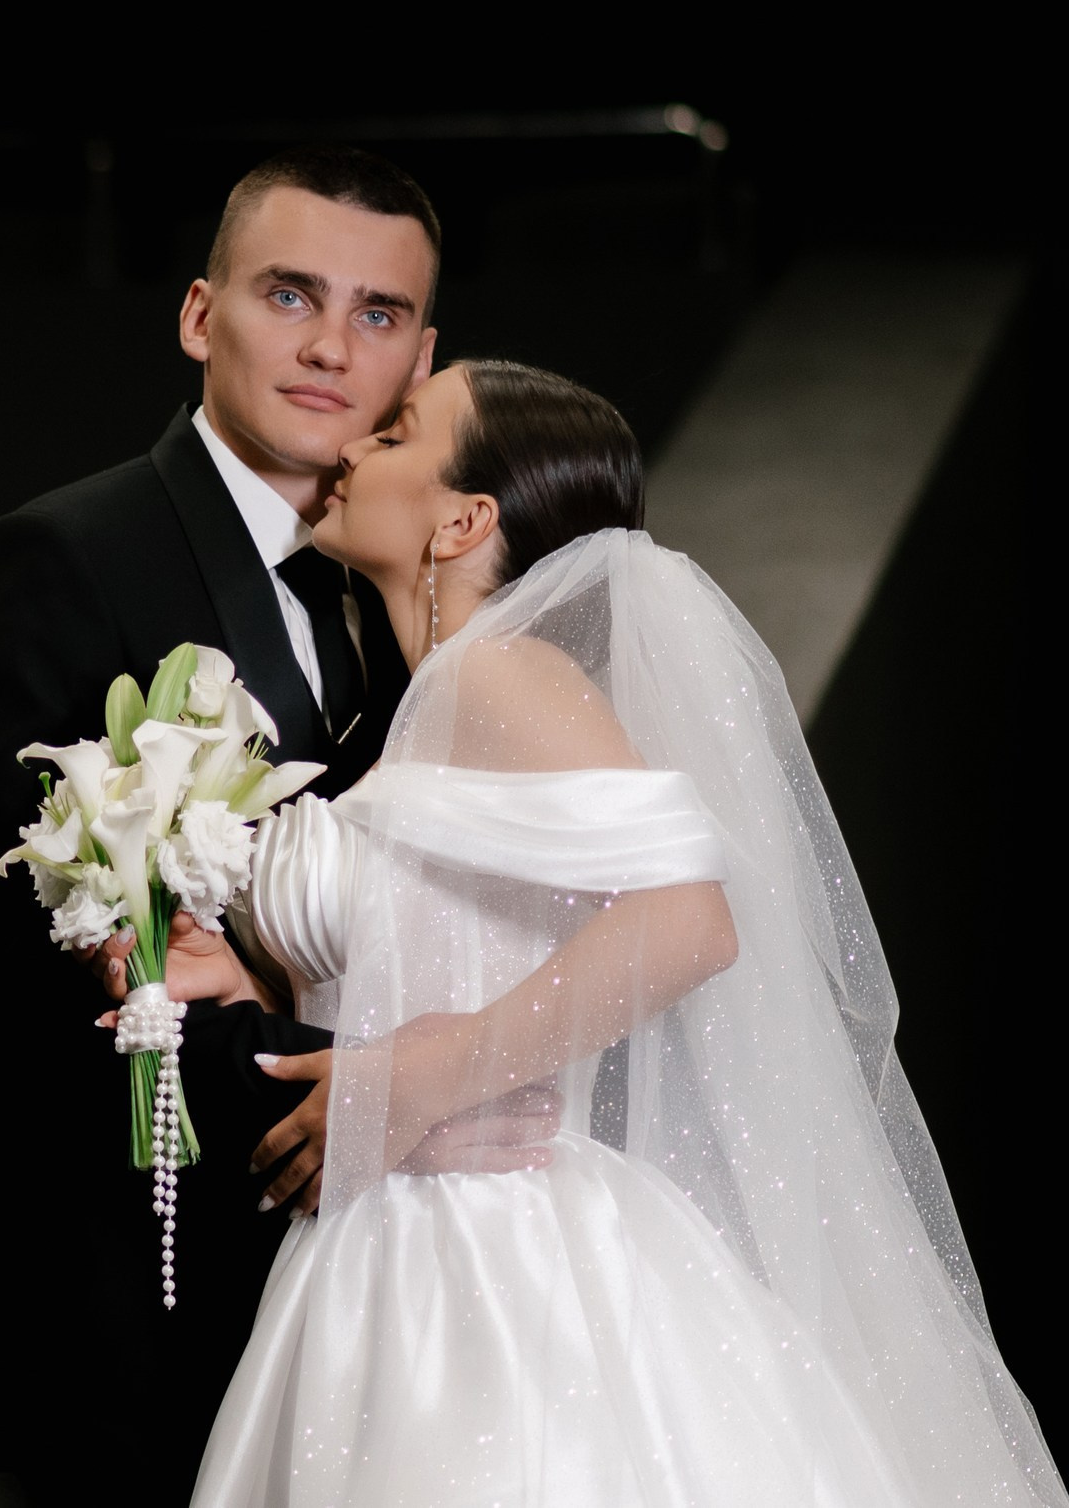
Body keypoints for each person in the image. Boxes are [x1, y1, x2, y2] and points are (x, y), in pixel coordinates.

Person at [192, 361, 1063, 1504]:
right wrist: (241, 963)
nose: (353, 447)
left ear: (464, 517)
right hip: (382, 1233)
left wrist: (434, 1070)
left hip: (481, 1257)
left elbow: (689, 920)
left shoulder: (502, 671)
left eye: (397, 433)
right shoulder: (423, 706)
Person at [0, 148, 557, 1504]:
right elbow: (39, 945)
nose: (328, 346)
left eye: (377, 315)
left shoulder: (422, 595)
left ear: (423, 359)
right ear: (203, 315)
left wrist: (454, 1071)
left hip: (370, 1294)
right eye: (290, 294)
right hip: (110, 1288)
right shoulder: (63, 558)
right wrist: (380, 1088)